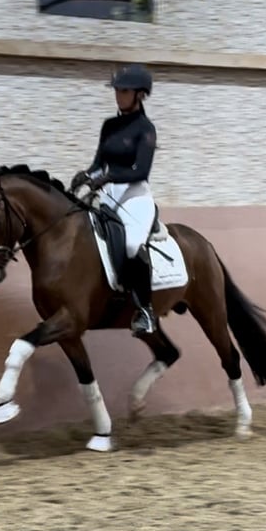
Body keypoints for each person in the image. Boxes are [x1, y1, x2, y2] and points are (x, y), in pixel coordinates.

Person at [70, 63, 159, 336]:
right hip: (109, 193)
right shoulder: (109, 125)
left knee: (132, 243)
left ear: (140, 95)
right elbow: (99, 163)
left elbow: (140, 171)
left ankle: (145, 310)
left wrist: (106, 178)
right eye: (117, 90)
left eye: (124, 91)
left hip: (135, 195)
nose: (118, 95)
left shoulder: (146, 128)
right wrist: (86, 174)